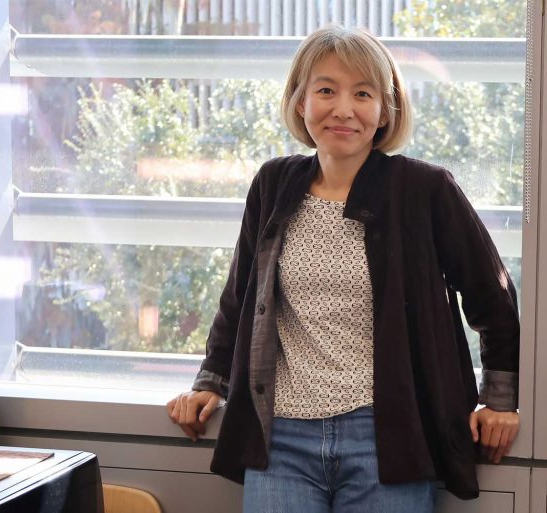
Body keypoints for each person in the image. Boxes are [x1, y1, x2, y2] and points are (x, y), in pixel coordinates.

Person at [166, 24, 520, 513]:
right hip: (281, 439)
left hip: (387, 438)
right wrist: (210, 382)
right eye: (326, 90)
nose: (343, 109)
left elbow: (492, 296)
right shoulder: (274, 182)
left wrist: (499, 399)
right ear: (299, 102)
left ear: (385, 109)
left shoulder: (424, 189)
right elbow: (240, 297)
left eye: (363, 93)